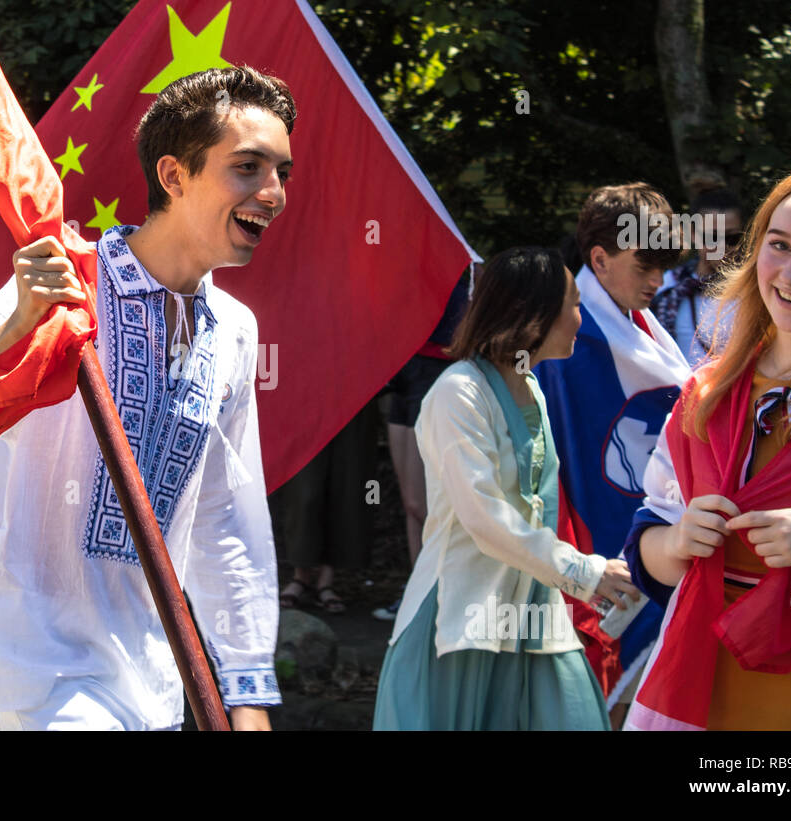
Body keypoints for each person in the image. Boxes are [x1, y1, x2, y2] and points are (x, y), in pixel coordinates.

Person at [0, 67, 293, 731]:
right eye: (248, 167)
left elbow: (227, 514)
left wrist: (245, 688)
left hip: (152, 676)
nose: (274, 192)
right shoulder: (66, 288)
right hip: (39, 668)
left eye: (281, 170)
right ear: (174, 175)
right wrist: (16, 328)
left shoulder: (235, 331)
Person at [623, 153, 791, 730]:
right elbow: (648, 556)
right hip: (707, 707)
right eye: (779, 244)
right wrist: (679, 540)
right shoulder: (704, 394)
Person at [373, 246, 638, 730]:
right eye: (574, 304)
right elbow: (484, 517)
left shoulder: (531, 385)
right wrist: (582, 570)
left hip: (532, 616)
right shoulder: (458, 392)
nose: (581, 318)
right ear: (532, 314)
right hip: (457, 618)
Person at [533, 183, 689, 719]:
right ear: (598, 259)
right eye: (645, 265)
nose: (658, 281)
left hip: (650, 548)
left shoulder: (642, 329)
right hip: (590, 555)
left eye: (664, 267)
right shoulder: (558, 343)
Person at [375, 268, 471, 621]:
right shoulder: (399, 267)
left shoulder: (457, 274)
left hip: (434, 372)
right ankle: (419, 590)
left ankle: (443, 591)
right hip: (403, 373)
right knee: (409, 501)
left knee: (421, 502)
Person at [273, 400, 380, 614]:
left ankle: (327, 579)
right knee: (304, 488)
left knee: (347, 481)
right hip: (306, 388)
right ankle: (301, 573)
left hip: (352, 387)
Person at [652, 187, 744, 366]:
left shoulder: (757, 291)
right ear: (693, 234)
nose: (722, 247)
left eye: (732, 238)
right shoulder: (666, 289)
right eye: (713, 237)